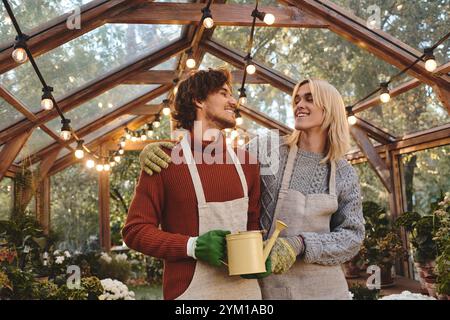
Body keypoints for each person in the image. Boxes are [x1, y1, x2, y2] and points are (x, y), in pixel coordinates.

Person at [138, 78, 365, 300]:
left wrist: (300, 244)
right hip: (269, 288)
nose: (299, 105)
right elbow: (216, 159)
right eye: (296, 100)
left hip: (324, 288)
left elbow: (353, 236)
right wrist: (162, 149)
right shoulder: (267, 149)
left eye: (309, 99)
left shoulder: (344, 173)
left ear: (330, 107)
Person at [122, 68, 265, 300]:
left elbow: (252, 225)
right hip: (189, 295)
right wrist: (192, 246)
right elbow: (134, 231)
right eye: (223, 93)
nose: (233, 101)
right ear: (198, 100)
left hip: (244, 294)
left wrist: (259, 254)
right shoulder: (164, 162)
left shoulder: (247, 162)